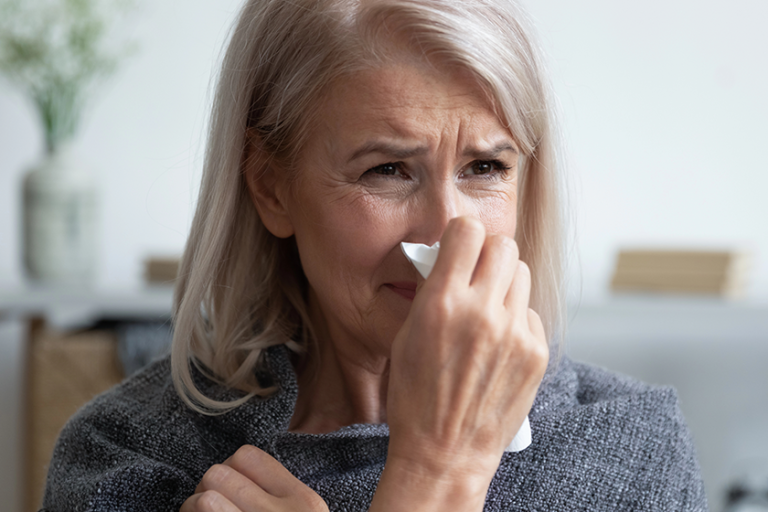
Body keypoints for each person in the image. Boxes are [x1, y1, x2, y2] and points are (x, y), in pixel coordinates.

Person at [43, 0, 708, 510]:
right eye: (388, 170)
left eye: (484, 167)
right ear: (271, 187)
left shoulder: (631, 450)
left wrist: (438, 472)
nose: (448, 233)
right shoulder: (131, 456)